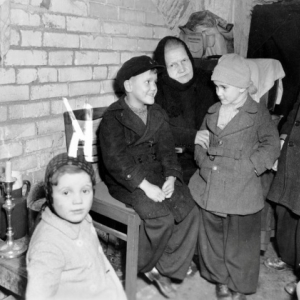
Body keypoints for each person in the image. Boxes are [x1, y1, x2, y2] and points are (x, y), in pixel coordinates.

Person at [99, 55, 199, 298]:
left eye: (155, 82)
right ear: (128, 85)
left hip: (155, 175)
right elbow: (116, 160)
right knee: (161, 218)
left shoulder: (157, 113)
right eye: (147, 82)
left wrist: (172, 177)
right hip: (128, 180)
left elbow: (167, 151)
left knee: (189, 209)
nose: (154, 87)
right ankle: (144, 265)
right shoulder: (113, 118)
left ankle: (169, 266)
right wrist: (145, 186)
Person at [189, 53, 280, 300]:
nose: (218, 92)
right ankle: (220, 280)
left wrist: (252, 166)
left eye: (224, 88)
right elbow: (200, 139)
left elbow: (272, 144)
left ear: (242, 88)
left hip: (242, 188)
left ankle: (239, 284)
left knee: (241, 242)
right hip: (210, 183)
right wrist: (201, 158)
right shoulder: (213, 111)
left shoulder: (257, 113)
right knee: (213, 237)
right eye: (216, 86)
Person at [26, 153, 127, 300]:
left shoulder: (83, 218)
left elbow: (101, 265)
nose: (78, 200)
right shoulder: (47, 246)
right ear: (50, 195)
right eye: (66, 192)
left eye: (85, 191)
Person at [153, 36, 219, 184]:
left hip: (211, 159)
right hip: (173, 165)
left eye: (184, 60)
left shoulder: (210, 81)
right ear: (163, 67)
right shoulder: (156, 92)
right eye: (173, 65)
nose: (182, 69)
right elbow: (155, 129)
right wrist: (191, 137)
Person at [265, 92, 300, 296]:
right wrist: (283, 137)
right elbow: (295, 109)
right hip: (292, 151)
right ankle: (288, 258)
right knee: (284, 209)